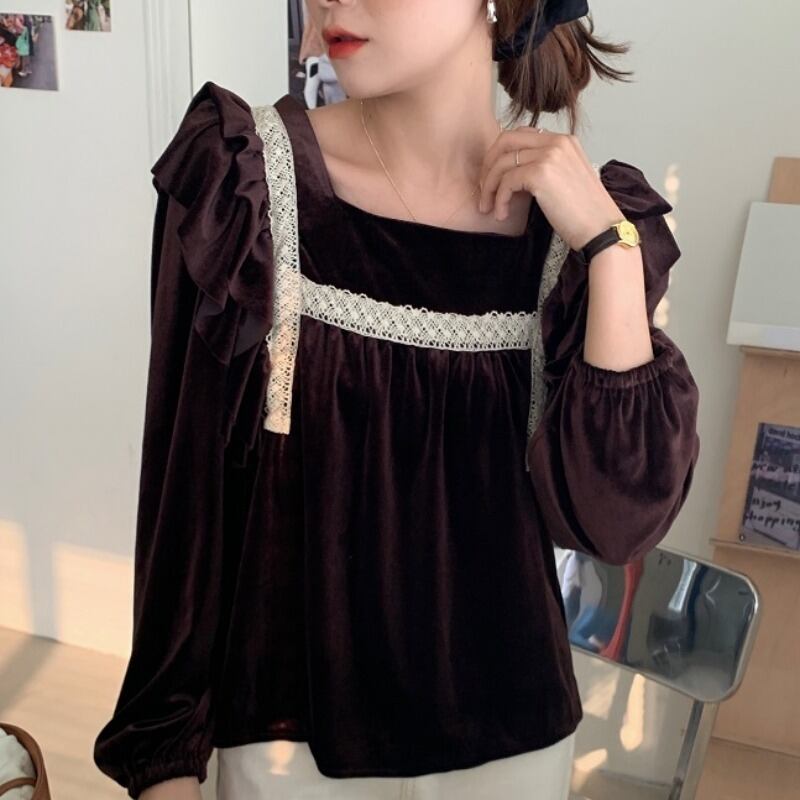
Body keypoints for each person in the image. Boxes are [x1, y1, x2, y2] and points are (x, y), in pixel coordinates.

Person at [92, 1, 701, 798]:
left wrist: (609, 246)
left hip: (514, 755)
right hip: (289, 751)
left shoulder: (578, 230)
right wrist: (162, 763)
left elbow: (616, 523)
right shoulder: (243, 184)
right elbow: (185, 505)